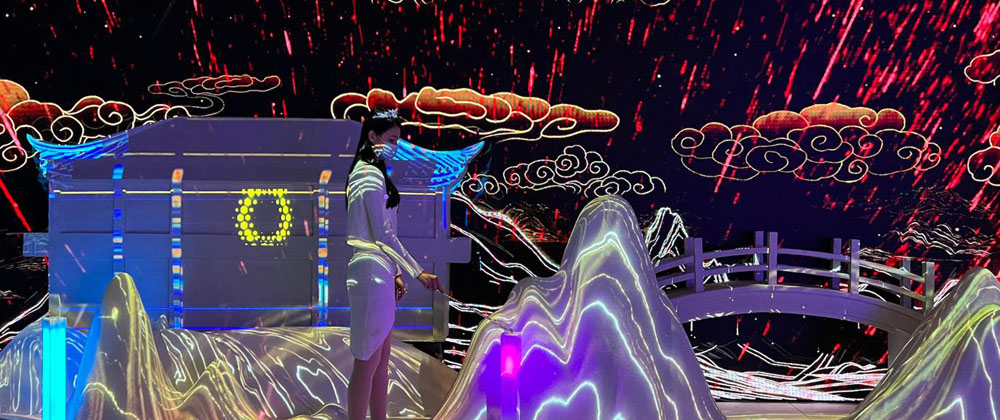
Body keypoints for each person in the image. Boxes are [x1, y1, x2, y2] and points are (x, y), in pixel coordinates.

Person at [344, 108, 444, 420]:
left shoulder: (374, 174)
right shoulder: (367, 174)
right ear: (372, 136)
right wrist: (417, 271)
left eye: (398, 141)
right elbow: (382, 233)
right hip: (370, 270)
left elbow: (384, 233)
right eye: (391, 139)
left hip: (379, 271)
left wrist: (397, 274)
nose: (395, 147)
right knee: (368, 361)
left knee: (380, 362)